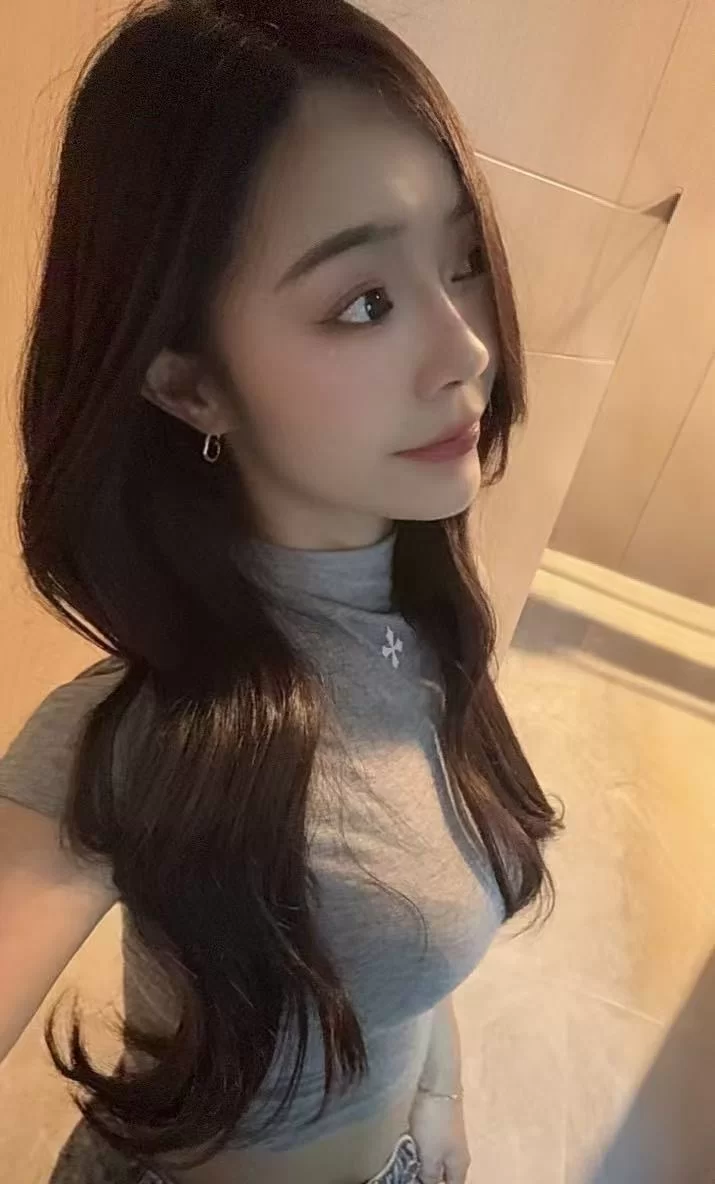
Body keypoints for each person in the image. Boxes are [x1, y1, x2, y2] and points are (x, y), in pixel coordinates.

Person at [0, 1, 563, 1182]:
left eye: (460, 258)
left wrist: (438, 1098)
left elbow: (398, 951)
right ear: (190, 386)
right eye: (364, 301)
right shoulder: (135, 740)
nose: (466, 347)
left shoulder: (425, 615)